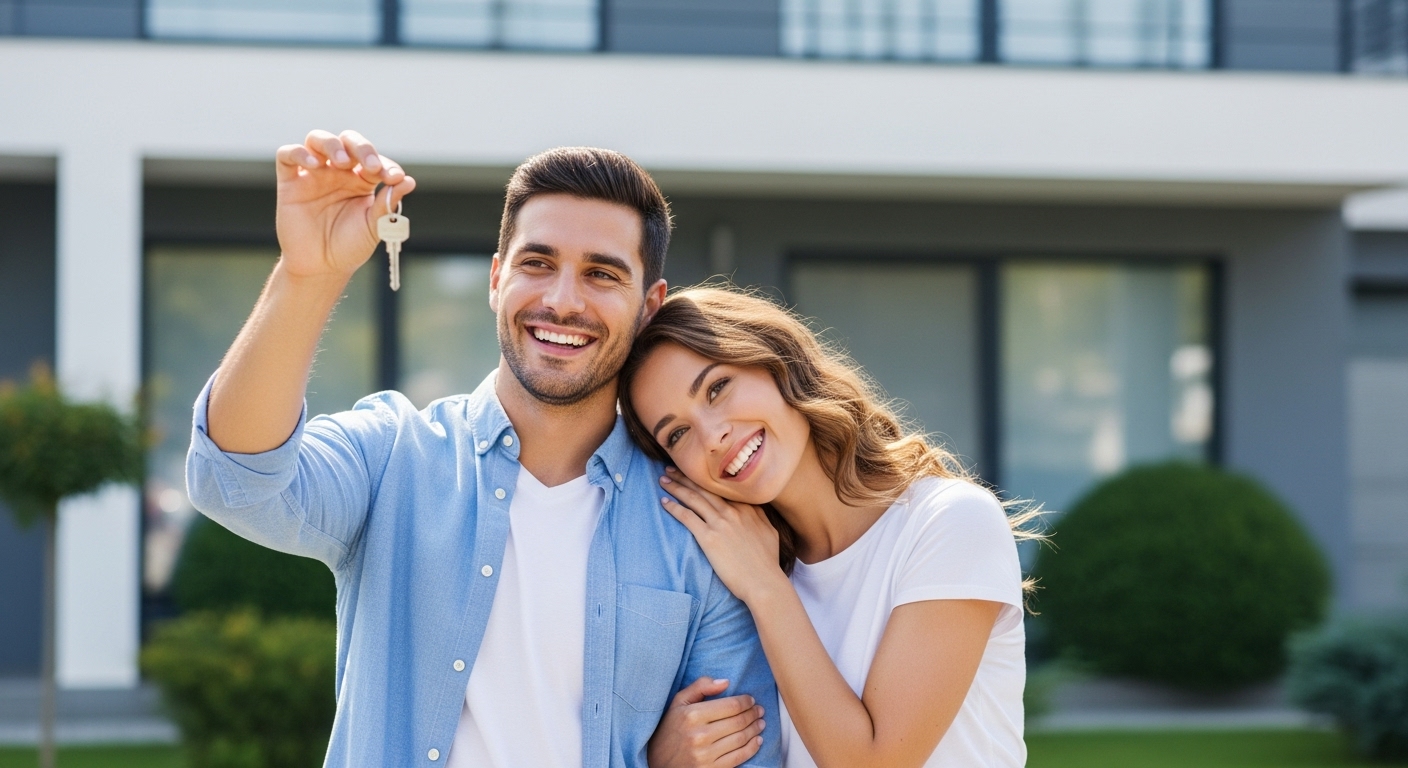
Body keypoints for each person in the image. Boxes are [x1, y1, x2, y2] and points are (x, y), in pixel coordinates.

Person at [185, 131, 777, 768]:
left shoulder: (697, 527)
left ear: (647, 309)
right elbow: (235, 480)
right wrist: (309, 275)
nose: (561, 301)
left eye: (602, 274)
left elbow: (746, 753)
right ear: (497, 279)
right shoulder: (393, 458)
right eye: (537, 263)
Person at [619, 287, 1035, 768]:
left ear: (776, 361)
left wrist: (766, 588)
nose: (713, 438)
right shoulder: (737, 572)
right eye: (678, 434)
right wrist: (664, 756)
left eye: (717, 388)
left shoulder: (949, 522)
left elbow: (873, 762)